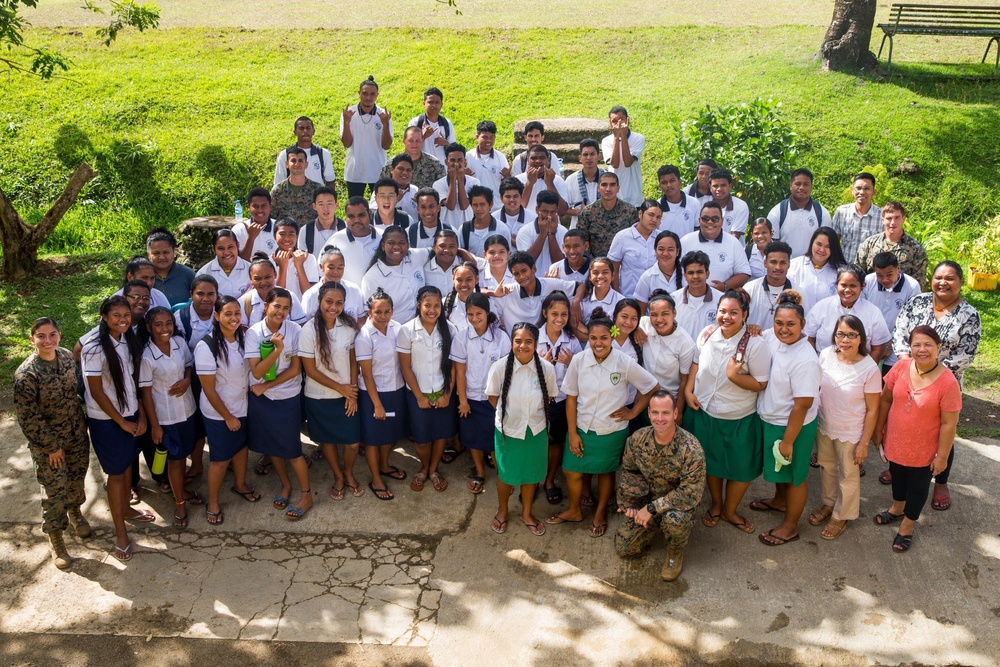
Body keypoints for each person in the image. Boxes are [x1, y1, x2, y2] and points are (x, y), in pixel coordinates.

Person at [549, 307, 660, 538]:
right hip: (580, 427)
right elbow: (570, 398)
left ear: (612, 336)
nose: (598, 343)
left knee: (606, 472)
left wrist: (632, 412)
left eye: (604, 338)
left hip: (611, 430)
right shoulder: (579, 360)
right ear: (587, 338)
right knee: (571, 470)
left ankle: (600, 513)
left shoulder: (624, 362)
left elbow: (651, 387)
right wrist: (573, 432)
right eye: (593, 338)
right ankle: (574, 509)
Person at [884, 261, 981, 504]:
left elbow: (966, 353)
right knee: (903, 425)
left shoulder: (969, 315)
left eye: (950, 278)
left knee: (942, 432)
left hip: (944, 385)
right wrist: (908, 365)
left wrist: (932, 373)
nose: (943, 283)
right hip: (908, 377)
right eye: (939, 277)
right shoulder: (917, 302)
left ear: (960, 282)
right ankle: (900, 466)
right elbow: (900, 332)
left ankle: (940, 481)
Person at [684, 289, 771, 535]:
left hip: (739, 415)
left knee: (740, 467)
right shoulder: (707, 333)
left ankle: (731, 510)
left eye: (734, 312)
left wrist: (734, 376)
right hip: (705, 410)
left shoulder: (755, 344)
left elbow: (761, 383)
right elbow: (696, 364)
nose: (727, 317)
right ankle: (716, 504)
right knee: (711, 462)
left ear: (745, 315)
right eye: (723, 311)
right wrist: (689, 391)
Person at [872, 326, 961, 552]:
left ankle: (908, 524)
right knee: (898, 477)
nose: (922, 349)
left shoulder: (948, 382)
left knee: (918, 487)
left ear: (938, 347)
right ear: (910, 347)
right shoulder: (901, 367)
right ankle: (897, 508)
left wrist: (942, 457)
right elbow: (885, 400)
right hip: (896, 440)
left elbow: (949, 423)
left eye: (928, 344)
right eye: (917, 344)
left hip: (925, 449)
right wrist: (878, 430)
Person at [14, 318, 92, 569]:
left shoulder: (68, 357)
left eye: (52, 334)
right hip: (50, 445)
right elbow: (28, 418)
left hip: (76, 434)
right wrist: (50, 446)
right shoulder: (27, 375)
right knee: (54, 489)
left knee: (76, 477)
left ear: (59, 335)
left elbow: (76, 392)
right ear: (32, 339)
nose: (47, 340)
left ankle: (75, 512)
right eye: (41, 336)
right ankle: (56, 537)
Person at [81, 296, 152, 561]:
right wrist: (121, 421)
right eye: (116, 316)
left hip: (131, 412)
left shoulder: (127, 339)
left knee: (129, 465)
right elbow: (96, 391)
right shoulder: (93, 347)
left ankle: (127, 510)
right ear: (104, 317)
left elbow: (134, 382)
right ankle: (121, 533)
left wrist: (141, 414)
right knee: (117, 473)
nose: (122, 320)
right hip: (107, 420)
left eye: (126, 315)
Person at [801, 315, 881, 539]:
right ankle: (828, 504)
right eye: (840, 334)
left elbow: (873, 409)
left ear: (860, 338)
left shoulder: (869, 368)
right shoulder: (826, 355)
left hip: (851, 432)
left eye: (851, 335)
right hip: (825, 424)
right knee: (827, 467)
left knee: (848, 475)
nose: (845, 340)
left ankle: (841, 515)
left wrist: (864, 443)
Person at [614, 391, 706, 582]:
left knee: (675, 521)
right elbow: (630, 472)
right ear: (648, 413)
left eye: (665, 413)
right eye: (655, 412)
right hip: (646, 501)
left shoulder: (691, 448)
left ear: (675, 413)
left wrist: (651, 509)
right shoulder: (637, 439)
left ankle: (674, 551)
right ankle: (652, 526)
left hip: (676, 506)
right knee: (624, 548)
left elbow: (690, 494)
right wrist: (630, 504)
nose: (660, 418)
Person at [754, 292, 820, 546]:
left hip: (793, 425)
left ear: (803, 325)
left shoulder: (805, 359)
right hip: (771, 418)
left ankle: (790, 527)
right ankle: (779, 502)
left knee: (795, 477)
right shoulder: (771, 337)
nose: (784, 329)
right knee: (779, 471)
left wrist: (789, 441)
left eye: (791, 324)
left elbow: (802, 405)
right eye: (779, 323)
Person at [245, 288, 311, 520]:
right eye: (276, 306)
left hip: (286, 398)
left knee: (292, 449)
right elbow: (257, 370)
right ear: (266, 306)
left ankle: (306, 494)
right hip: (262, 400)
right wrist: (277, 351)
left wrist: (267, 386)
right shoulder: (253, 333)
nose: (281, 312)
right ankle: (285, 485)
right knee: (272, 446)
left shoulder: (294, 330)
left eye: (286, 308)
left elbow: (295, 369)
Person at [486, 322, 558, 536]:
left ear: (536, 344)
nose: (523, 346)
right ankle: (502, 511)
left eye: (528, 341)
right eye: (518, 341)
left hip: (536, 430)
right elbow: (493, 398)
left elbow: (550, 396)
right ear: (511, 343)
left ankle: (527, 513)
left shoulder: (547, 369)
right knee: (505, 474)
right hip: (508, 430)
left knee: (531, 474)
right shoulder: (499, 367)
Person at [138, 307, 204, 529]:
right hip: (166, 417)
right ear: (149, 328)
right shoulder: (147, 356)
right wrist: (155, 426)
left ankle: (181, 490)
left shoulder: (179, 343)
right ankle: (180, 503)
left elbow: (188, 364)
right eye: (158, 324)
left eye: (168, 323)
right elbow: (146, 393)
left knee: (189, 449)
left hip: (188, 410)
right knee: (175, 461)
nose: (165, 328)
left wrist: (187, 380)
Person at [195, 296, 258, 527]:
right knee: (220, 459)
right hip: (219, 412)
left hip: (242, 406)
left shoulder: (245, 337)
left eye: (237, 313)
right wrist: (228, 416)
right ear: (216, 315)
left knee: (241, 449)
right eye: (228, 314)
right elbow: (209, 390)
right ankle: (212, 502)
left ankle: (240, 484)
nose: (233, 318)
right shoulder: (207, 346)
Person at [300, 282, 364, 501]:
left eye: (339, 303)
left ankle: (348, 472)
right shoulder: (308, 330)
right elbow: (309, 370)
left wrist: (352, 392)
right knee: (327, 440)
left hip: (347, 395)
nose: (333, 307)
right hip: (319, 397)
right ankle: (338, 476)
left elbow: (354, 362)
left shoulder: (348, 327)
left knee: (353, 442)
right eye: (329, 301)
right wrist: (341, 389)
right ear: (319, 301)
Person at [397, 285, 459, 493]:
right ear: (418, 305)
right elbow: (405, 367)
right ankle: (424, 466)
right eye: (427, 305)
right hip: (418, 393)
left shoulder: (449, 329)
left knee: (441, 435)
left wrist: (448, 394)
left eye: (436, 305)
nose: (432, 310)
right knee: (422, 440)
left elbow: (454, 365)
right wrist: (419, 397)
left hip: (443, 392)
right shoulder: (407, 330)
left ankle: (432, 471)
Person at [452, 292, 510, 494]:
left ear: (487, 313)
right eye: (470, 314)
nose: (474, 318)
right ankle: (479, 472)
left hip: (494, 399)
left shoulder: (501, 338)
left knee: (496, 439)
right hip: (471, 398)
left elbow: (505, 372)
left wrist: (501, 401)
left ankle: (503, 476)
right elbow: (460, 372)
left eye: (479, 313)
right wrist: (463, 400)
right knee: (473, 438)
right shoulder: (461, 337)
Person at [357, 289, 409, 500]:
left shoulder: (398, 329)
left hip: (395, 390)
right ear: (369, 312)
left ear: (392, 311)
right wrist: (377, 404)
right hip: (373, 393)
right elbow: (367, 375)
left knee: (388, 435)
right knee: (373, 439)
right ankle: (376, 478)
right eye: (378, 312)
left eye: (387, 311)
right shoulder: (364, 336)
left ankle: (385, 465)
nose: (383, 316)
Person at [536, 290, 581, 505]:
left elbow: (582, 375)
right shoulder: (533, 337)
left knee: (556, 444)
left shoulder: (571, 341)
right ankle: (531, 480)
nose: (559, 319)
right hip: (536, 402)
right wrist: (540, 364)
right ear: (545, 312)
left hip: (562, 402)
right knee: (535, 442)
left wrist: (573, 363)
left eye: (564, 314)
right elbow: (517, 370)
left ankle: (550, 480)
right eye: (554, 313)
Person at [805, 265, 891, 362]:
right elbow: (809, 338)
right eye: (843, 285)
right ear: (837, 284)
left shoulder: (873, 312)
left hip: (859, 371)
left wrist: (866, 371)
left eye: (853, 286)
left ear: (862, 286)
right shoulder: (821, 307)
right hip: (823, 369)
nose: (847, 290)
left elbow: (878, 348)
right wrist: (816, 364)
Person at [862, 251, 921, 374]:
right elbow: (862, 312)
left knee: (890, 379)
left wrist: (890, 344)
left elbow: (911, 320)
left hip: (898, 342)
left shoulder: (912, 286)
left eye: (889, 275)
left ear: (898, 269)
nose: (885, 279)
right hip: (871, 341)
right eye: (880, 275)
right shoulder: (868, 282)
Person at [639, 291, 695, 420]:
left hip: (668, 402)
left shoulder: (685, 343)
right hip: (643, 398)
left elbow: (684, 381)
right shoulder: (644, 324)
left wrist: (679, 411)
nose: (659, 320)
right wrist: (636, 329)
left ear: (674, 313)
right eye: (654, 315)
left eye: (665, 314)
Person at [360, 226, 433, 323]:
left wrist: (460, 253)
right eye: (391, 243)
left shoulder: (414, 256)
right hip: (393, 333)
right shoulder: (371, 278)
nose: (397, 247)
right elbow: (370, 314)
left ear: (407, 245)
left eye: (401, 243)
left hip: (420, 327)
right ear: (383, 245)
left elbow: (437, 251)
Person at [492, 251, 576, 334]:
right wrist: (493, 294)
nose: (521, 276)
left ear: (534, 269)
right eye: (516, 274)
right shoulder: (507, 292)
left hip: (546, 342)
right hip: (518, 345)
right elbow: (480, 292)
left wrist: (576, 302)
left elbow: (579, 286)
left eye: (524, 271)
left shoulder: (551, 284)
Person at [854, 200, 929, 289]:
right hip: (872, 295)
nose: (893, 222)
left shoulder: (916, 249)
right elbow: (858, 273)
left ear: (903, 219)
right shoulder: (869, 244)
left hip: (902, 296)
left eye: (897, 218)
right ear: (883, 220)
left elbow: (919, 282)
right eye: (889, 218)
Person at [340, 75, 393, 199]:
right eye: (365, 93)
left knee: (380, 209)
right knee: (354, 208)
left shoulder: (383, 115)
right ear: (359, 93)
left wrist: (385, 124)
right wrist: (347, 122)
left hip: (378, 171)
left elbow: (386, 146)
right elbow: (347, 143)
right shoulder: (349, 114)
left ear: (377, 95)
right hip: (355, 171)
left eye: (372, 94)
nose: (368, 97)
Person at [680, 201, 751, 291]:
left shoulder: (733, 243)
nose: (710, 222)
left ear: (722, 221)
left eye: (715, 219)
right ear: (699, 220)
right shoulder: (685, 241)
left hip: (721, 300)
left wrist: (725, 286)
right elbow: (675, 271)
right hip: (689, 298)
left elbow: (744, 273)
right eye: (705, 218)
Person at [765, 168, 831, 258]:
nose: (802, 188)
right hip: (785, 268)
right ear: (790, 186)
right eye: (798, 184)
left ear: (811, 187)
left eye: (806, 184)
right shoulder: (777, 212)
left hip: (812, 268)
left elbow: (826, 244)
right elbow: (771, 244)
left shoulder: (822, 213)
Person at [787, 226, 848, 314]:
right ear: (812, 243)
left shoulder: (841, 271)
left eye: (828, 246)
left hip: (829, 323)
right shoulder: (794, 266)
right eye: (819, 244)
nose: (822, 250)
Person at [609, 199, 662, 300]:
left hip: (655, 297)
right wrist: (617, 296)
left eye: (658, 217)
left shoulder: (662, 238)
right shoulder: (622, 237)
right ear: (640, 214)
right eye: (651, 215)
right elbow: (613, 269)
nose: (654, 220)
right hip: (629, 296)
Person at [576, 172, 636, 258]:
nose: (608, 189)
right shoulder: (587, 212)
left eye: (612, 185)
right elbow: (582, 241)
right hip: (596, 265)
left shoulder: (630, 211)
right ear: (598, 188)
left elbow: (634, 240)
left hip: (623, 263)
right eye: (604, 185)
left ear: (618, 188)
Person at [238, 253, 308, 327]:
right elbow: (243, 332)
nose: (263, 282)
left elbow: (300, 326)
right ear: (251, 279)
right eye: (258, 279)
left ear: (275, 275)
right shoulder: (244, 303)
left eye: (267, 277)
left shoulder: (290, 297)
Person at [300, 245, 367, 323]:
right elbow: (305, 324)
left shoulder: (354, 290)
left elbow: (361, 320)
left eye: (340, 268)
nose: (335, 272)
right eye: (331, 268)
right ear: (321, 267)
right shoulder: (310, 295)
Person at [672, 251, 725, 342]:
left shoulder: (722, 300)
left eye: (700, 272)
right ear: (685, 276)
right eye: (691, 273)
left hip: (712, 354)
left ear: (707, 273)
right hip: (680, 354)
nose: (695, 276)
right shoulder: (673, 299)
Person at [330, 196, 383, 286]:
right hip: (347, 297)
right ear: (345, 217)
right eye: (351, 216)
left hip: (380, 297)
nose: (356, 220)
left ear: (369, 214)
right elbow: (323, 272)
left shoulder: (384, 238)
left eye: (361, 215)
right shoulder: (336, 240)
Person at [831, 172, 882, 264]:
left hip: (869, 271)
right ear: (853, 191)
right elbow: (834, 242)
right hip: (844, 268)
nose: (862, 192)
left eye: (867, 188)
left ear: (874, 192)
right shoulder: (841, 212)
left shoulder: (881, 216)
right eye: (858, 188)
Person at [515, 189, 566, 276]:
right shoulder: (525, 231)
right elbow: (526, 261)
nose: (549, 216)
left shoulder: (563, 232)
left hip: (556, 281)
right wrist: (543, 234)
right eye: (545, 211)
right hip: (532, 283)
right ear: (537, 210)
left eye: (553, 212)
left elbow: (560, 263)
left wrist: (551, 234)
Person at [273, 116, 336, 187]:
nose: (305, 131)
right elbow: (278, 184)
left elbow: (330, 182)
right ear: (295, 132)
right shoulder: (285, 155)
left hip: (317, 197)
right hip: (292, 197)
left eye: (308, 128)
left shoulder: (323, 154)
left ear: (313, 131)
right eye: (301, 128)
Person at [601, 106, 646, 206]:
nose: (619, 124)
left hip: (634, 197)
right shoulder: (606, 141)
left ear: (628, 120)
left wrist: (623, 136)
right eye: (615, 121)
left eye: (622, 119)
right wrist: (617, 137)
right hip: (615, 197)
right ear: (610, 123)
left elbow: (627, 162)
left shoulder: (638, 139)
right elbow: (615, 164)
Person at [744, 241, 793, 330]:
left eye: (783, 262)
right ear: (765, 263)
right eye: (773, 262)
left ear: (789, 264)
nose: (778, 267)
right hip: (754, 342)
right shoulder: (749, 289)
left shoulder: (798, 293)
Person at [378, 126, 446, 189]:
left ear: (422, 141)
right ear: (404, 141)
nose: (414, 144)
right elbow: (381, 188)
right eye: (411, 141)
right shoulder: (391, 164)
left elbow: (443, 189)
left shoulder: (435, 164)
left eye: (418, 141)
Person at [270, 146, 323, 227]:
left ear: (306, 164)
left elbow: (324, 215)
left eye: (301, 160)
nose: (297, 164)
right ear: (287, 164)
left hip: (310, 236)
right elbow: (271, 218)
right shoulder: (278, 190)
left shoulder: (318, 189)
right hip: (286, 237)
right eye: (293, 160)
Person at [634, 231, 683, 312]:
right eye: (661, 249)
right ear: (655, 250)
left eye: (670, 249)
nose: (665, 253)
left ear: (677, 251)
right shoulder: (647, 277)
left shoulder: (687, 274)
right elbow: (641, 312)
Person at [272, 218, 319, 301]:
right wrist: (282, 267)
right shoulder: (269, 261)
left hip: (302, 310)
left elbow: (308, 294)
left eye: (291, 234)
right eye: (282, 234)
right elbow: (277, 296)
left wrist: (299, 265)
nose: (286, 238)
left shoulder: (308, 258)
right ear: (274, 236)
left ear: (297, 236)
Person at [146, 227, 196, 306]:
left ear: (174, 252)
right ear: (148, 254)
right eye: (156, 253)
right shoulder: (142, 276)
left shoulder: (188, 275)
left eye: (166, 252)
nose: (162, 257)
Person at [465, 120, 510, 208]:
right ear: (477, 137)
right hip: (474, 208)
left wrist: (507, 176)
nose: (488, 140)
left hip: (496, 206)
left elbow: (507, 183)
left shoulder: (500, 157)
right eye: (485, 137)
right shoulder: (468, 157)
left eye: (492, 137)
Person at [575, 257, 623, 339]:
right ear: (590, 276)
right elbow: (574, 322)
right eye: (595, 273)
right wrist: (589, 332)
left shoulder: (621, 302)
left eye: (605, 272)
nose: (600, 276)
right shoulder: (582, 299)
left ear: (613, 276)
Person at [197, 229, 252, 299]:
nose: (226, 252)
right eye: (221, 248)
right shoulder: (204, 273)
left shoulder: (250, 270)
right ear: (213, 249)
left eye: (230, 247)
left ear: (238, 245)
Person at [516, 145, 570, 215]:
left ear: (547, 161)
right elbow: (517, 209)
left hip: (550, 223)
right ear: (528, 161)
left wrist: (550, 184)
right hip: (526, 224)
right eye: (534, 158)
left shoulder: (557, 180)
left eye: (542, 158)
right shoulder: (518, 180)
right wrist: (529, 183)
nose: (538, 161)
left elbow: (562, 211)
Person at [460, 185, 511, 256]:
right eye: (475, 205)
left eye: (482, 204)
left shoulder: (502, 229)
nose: (478, 208)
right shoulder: (464, 229)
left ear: (491, 204)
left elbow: (507, 255)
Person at [565, 138, 604, 228]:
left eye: (592, 154)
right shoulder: (571, 180)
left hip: (603, 228)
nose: (589, 158)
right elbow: (562, 209)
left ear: (599, 156)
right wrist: (579, 212)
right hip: (579, 227)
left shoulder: (608, 178)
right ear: (580, 158)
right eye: (585, 154)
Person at [408, 86, 453, 164]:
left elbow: (454, 150)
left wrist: (446, 143)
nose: (434, 106)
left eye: (437, 103)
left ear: (441, 104)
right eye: (430, 102)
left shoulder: (447, 124)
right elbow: (409, 148)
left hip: (442, 169)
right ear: (424, 103)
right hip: (421, 169)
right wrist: (423, 136)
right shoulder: (415, 123)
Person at [234, 187, 280, 262]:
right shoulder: (239, 229)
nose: (260, 210)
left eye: (264, 206)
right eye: (255, 206)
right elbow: (240, 262)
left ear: (270, 206)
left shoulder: (279, 227)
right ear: (248, 207)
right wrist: (250, 238)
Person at [298, 187, 347, 257]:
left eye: (329, 204)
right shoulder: (306, 230)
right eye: (321, 204)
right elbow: (302, 259)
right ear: (314, 206)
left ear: (337, 205)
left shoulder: (346, 228)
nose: (325, 208)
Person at [656, 165, 701, 237]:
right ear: (660, 186)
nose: (669, 185)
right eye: (664, 182)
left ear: (680, 182)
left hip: (689, 247)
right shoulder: (656, 206)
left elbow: (697, 229)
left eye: (672, 181)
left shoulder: (694, 203)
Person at [708, 168, 750, 238]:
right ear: (710, 187)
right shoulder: (704, 206)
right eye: (715, 186)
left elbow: (735, 237)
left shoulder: (741, 206)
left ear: (730, 186)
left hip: (733, 248)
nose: (719, 189)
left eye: (723, 185)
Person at [443, 260, 480, 330]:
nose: (464, 284)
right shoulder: (443, 303)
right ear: (453, 279)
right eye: (459, 280)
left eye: (468, 280)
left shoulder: (487, 302)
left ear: (477, 279)